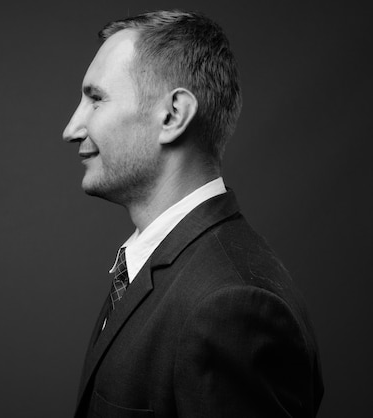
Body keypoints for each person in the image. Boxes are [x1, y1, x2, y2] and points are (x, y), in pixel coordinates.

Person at [62, 10, 323, 417]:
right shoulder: (160, 269)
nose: (72, 127)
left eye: (96, 99)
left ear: (173, 115)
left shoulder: (229, 306)